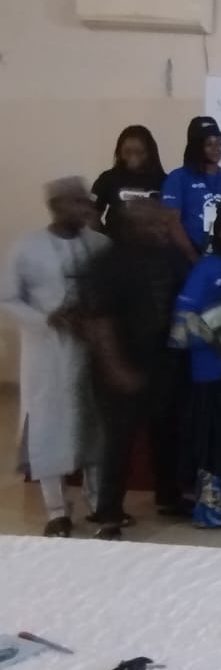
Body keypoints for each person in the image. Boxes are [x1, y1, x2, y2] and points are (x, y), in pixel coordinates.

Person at [1, 178, 110, 537]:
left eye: (84, 201)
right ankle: (56, 511)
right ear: (56, 205)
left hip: (91, 351)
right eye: (75, 202)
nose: (83, 208)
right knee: (49, 429)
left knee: (94, 427)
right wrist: (47, 320)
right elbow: (7, 298)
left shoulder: (100, 246)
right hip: (47, 355)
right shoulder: (27, 248)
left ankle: (99, 505)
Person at [81, 199, 190, 539]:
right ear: (133, 227)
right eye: (154, 224)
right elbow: (98, 321)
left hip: (161, 360)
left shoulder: (167, 257)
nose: (162, 230)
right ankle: (108, 513)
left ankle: (168, 496)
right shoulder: (108, 263)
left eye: (163, 223)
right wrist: (116, 369)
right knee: (119, 441)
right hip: (120, 363)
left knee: (166, 433)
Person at [170, 198, 221, 527]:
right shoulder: (205, 267)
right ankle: (209, 511)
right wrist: (218, 343)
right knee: (211, 441)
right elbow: (184, 318)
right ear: (218, 231)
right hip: (209, 371)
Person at [161, 116, 221, 263]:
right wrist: (193, 257)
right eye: (209, 144)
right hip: (187, 259)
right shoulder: (178, 178)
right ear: (197, 147)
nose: (216, 149)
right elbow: (172, 222)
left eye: (219, 143)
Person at [91, 125, 166, 239]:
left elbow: (173, 218)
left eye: (139, 152)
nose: (133, 157)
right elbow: (91, 214)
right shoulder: (108, 178)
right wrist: (104, 239)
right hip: (116, 245)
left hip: (154, 245)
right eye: (127, 152)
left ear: (149, 153)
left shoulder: (164, 181)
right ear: (119, 151)